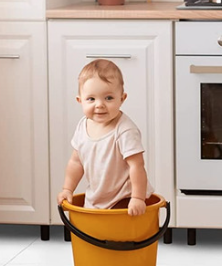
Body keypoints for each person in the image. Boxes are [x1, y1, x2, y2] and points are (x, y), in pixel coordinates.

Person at [57, 59, 154, 216]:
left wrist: (138, 198)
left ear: (122, 98)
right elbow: (76, 162)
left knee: (117, 238)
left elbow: (136, 165)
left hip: (124, 198)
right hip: (97, 198)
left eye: (108, 98)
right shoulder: (83, 126)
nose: (99, 105)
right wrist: (67, 189)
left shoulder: (124, 130)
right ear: (79, 100)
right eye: (91, 99)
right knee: (93, 236)